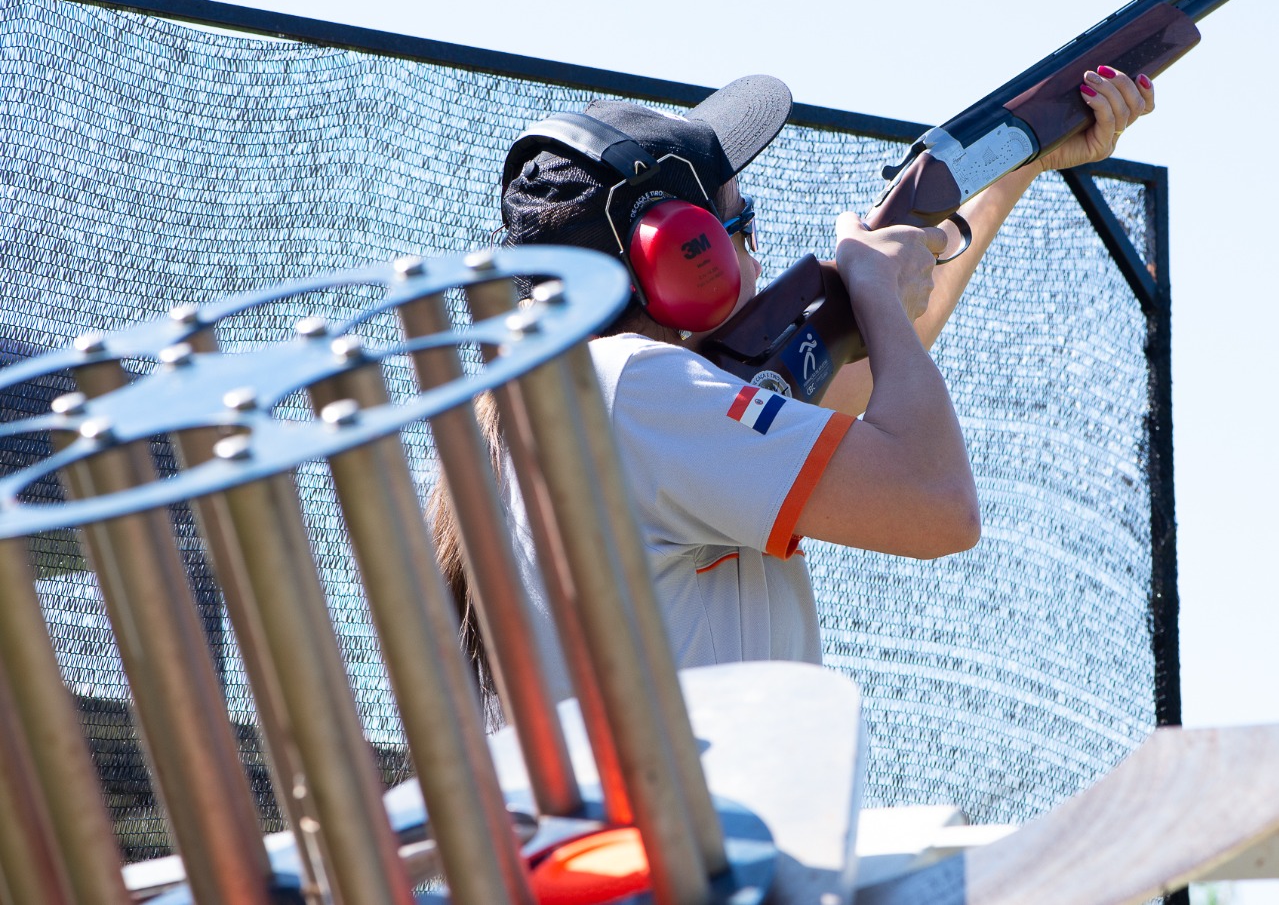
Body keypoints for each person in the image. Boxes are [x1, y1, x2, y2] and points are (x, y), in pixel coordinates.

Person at [432, 66, 1154, 701]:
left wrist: (1018, 162)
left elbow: (866, 379)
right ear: (686, 259)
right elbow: (937, 505)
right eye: (740, 224)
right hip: (703, 848)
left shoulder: (576, 401)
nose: (753, 250)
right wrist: (869, 290)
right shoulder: (641, 390)